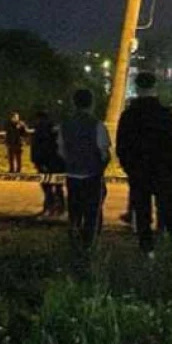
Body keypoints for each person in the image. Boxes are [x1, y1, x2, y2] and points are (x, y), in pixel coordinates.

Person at [116, 72, 172, 260]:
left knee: (142, 211)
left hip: (139, 171)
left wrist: (129, 167)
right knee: (170, 210)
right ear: (155, 87)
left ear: (137, 88)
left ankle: (147, 250)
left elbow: (122, 146)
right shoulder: (165, 115)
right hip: (165, 170)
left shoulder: (129, 116)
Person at [58, 89, 111, 259]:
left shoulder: (65, 125)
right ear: (91, 103)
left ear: (74, 103)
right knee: (92, 212)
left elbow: (61, 151)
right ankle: (89, 246)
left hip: (72, 175)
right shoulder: (97, 125)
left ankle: (74, 244)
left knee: (74, 211)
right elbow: (104, 152)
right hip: (92, 175)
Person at [31, 110, 66, 217]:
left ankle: (50, 207)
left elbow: (39, 147)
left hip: (46, 161)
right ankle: (59, 208)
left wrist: (38, 161)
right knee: (58, 186)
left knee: (47, 186)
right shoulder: (54, 128)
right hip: (58, 162)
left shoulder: (40, 129)